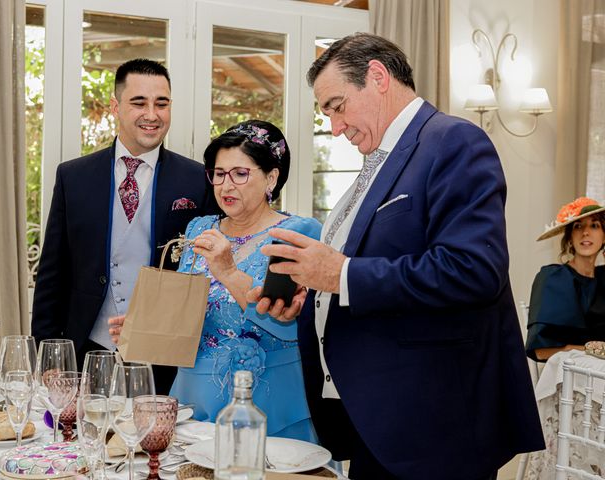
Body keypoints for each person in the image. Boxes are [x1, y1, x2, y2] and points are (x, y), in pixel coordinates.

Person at [252, 33, 544, 479]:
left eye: (337, 106)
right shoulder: (376, 166)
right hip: (380, 419)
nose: (334, 126)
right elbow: (372, 268)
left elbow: (474, 270)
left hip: (435, 424)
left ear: (377, 77)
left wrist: (340, 274)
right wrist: (311, 296)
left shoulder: (453, 141)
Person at [111, 120, 321, 442]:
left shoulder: (296, 235)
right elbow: (185, 314)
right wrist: (143, 326)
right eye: (219, 174)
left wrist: (228, 271)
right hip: (195, 397)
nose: (225, 186)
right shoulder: (199, 228)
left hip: (269, 400)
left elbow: (288, 323)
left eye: (240, 173)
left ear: (272, 177)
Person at [31, 59, 218, 394]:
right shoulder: (73, 176)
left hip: (166, 358)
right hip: (88, 350)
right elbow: (52, 273)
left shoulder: (197, 179)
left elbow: (207, 275)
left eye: (162, 103)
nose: (152, 114)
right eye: (139, 103)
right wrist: (49, 357)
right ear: (115, 107)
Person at [526, 196, 605, 361]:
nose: (585, 232)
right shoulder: (553, 279)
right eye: (578, 226)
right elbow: (540, 351)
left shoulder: (603, 279)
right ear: (569, 237)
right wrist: (589, 349)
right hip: (569, 378)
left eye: (594, 225)